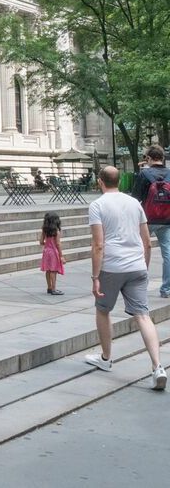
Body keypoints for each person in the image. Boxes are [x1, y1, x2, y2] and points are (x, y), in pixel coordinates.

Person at [85, 165, 166, 390]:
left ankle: (106, 357)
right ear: (119, 181)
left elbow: (98, 244)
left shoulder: (97, 205)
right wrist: (144, 267)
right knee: (143, 315)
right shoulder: (134, 203)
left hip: (112, 266)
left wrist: (95, 277)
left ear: (100, 181)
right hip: (137, 265)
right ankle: (158, 366)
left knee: (103, 310)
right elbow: (147, 241)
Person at [133, 145, 170, 299]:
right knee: (168, 253)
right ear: (162, 158)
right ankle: (166, 289)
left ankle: (139, 287)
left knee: (140, 252)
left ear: (148, 158)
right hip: (167, 220)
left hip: (147, 220)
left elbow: (135, 198)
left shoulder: (144, 174)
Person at [39, 212, 66, 295]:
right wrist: (61, 256)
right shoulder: (56, 231)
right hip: (53, 252)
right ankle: (54, 289)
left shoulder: (44, 230)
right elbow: (58, 244)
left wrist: (47, 244)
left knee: (48, 270)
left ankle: (49, 288)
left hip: (46, 251)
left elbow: (41, 242)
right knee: (53, 271)